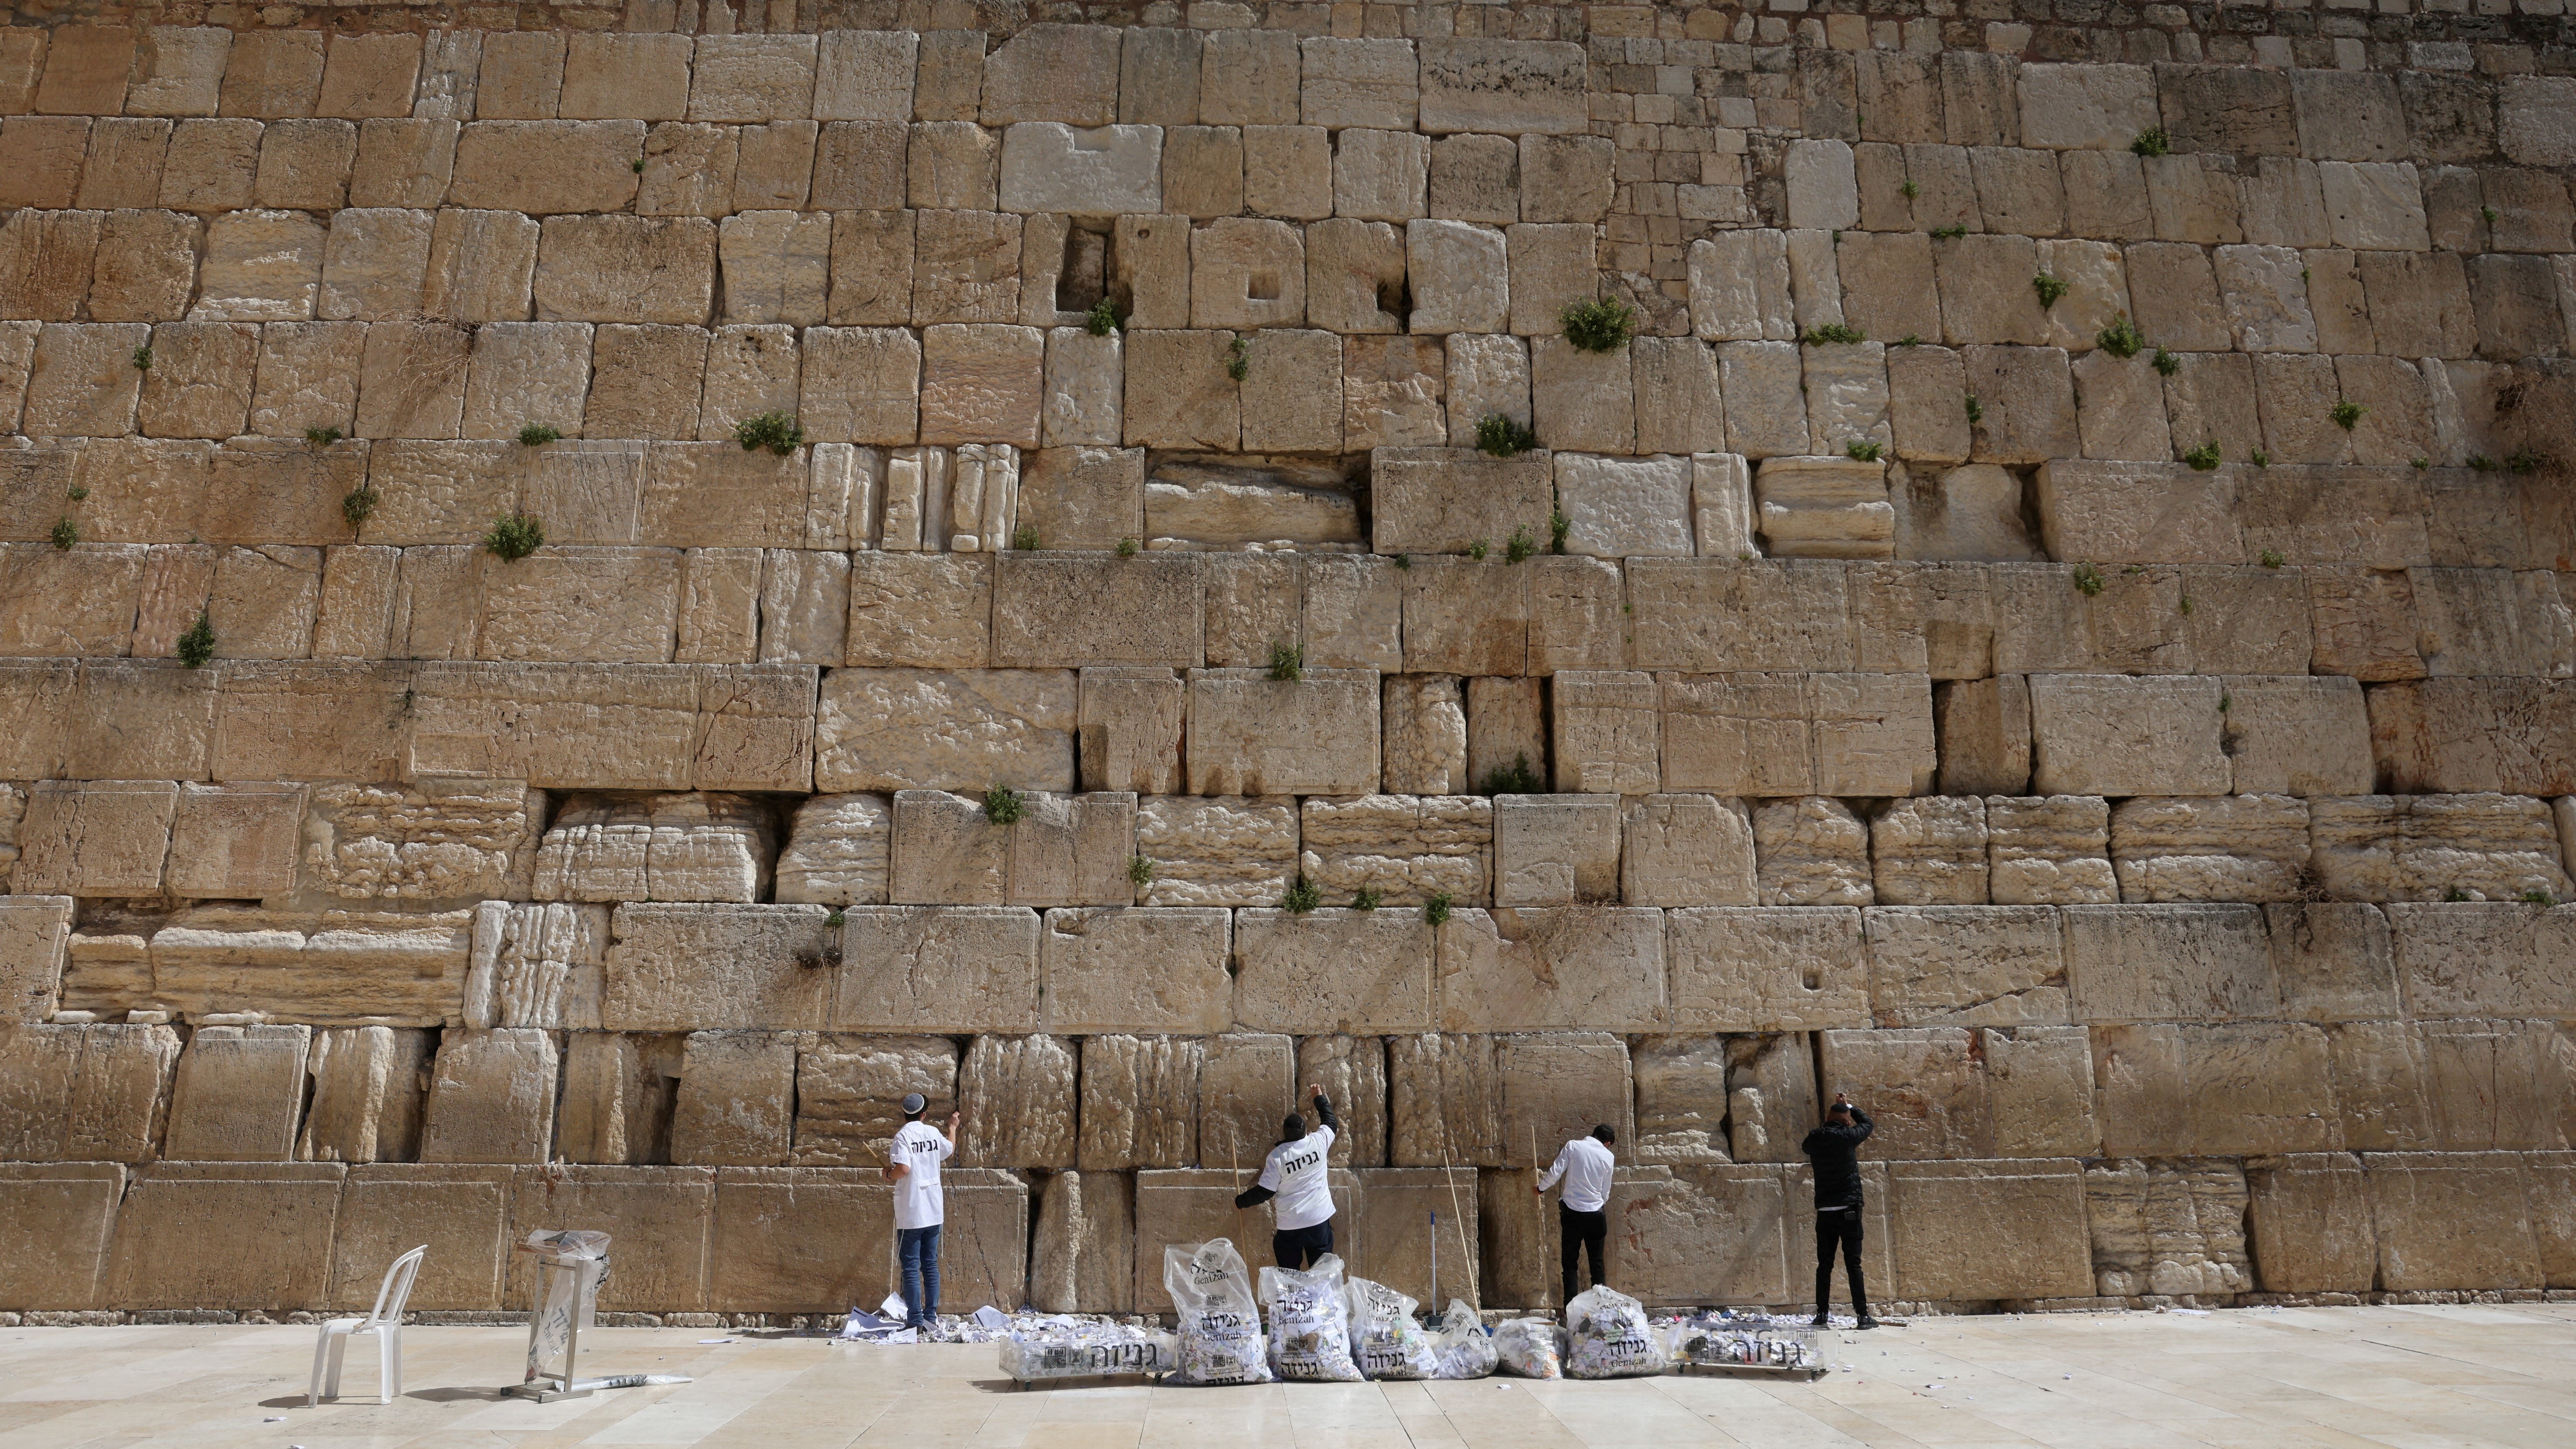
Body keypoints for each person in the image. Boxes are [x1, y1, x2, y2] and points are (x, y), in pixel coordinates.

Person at [1232, 1084, 1340, 1268]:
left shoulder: (1278, 1157)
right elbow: (1331, 1122)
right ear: (1306, 1131)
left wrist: (1242, 1201)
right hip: (1319, 1221)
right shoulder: (1319, 1142)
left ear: (1285, 1134)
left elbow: (1265, 1192)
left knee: (1290, 1278)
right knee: (1321, 1276)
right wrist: (1318, 1097)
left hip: (1291, 1227)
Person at [882, 1091, 959, 1331]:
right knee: (930, 1265)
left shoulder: (903, 1136)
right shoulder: (933, 1133)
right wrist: (953, 1128)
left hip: (912, 1211)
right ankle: (931, 1316)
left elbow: (903, 1169)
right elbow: (949, 1151)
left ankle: (915, 1321)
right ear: (924, 1114)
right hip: (934, 1209)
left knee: (911, 1267)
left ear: (905, 1114)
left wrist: (887, 1174)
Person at [1801, 1091, 1877, 1329]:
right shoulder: (1848, 1136)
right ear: (1846, 1122)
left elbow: (1806, 1147)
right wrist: (1851, 1106)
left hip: (1825, 1211)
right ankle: (1863, 1317)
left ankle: (1822, 1315)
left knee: (1825, 1264)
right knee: (1853, 1264)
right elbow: (1868, 1124)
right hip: (1849, 1211)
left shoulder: (1815, 1138)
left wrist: (1836, 1115)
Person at [1534, 1124, 1617, 1306]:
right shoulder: (1608, 1156)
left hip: (1573, 1213)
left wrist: (1541, 1188)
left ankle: (1569, 1308)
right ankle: (1601, 1308)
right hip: (1596, 1215)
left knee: (1570, 1264)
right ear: (1607, 1143)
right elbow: (1606, 1190)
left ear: (1593, 1135)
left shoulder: (1573, 1146)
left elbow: (1556, 1172)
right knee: (1597, 1264)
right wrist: (1597, 1204)